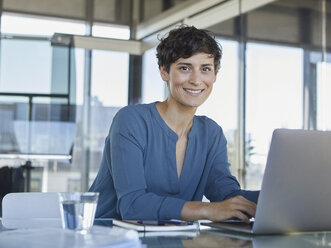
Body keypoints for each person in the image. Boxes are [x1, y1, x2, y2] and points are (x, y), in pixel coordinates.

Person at [89, 25, 259, 222]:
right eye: (184, 68)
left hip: (172, 240)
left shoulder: (211, 133)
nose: (196, 80)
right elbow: (132, 205)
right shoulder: (131, 120)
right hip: (109, 239)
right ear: (164, 72)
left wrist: (280, 197)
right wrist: (207, 210)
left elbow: (227, 196)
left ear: (214, 76)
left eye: (205, 69)